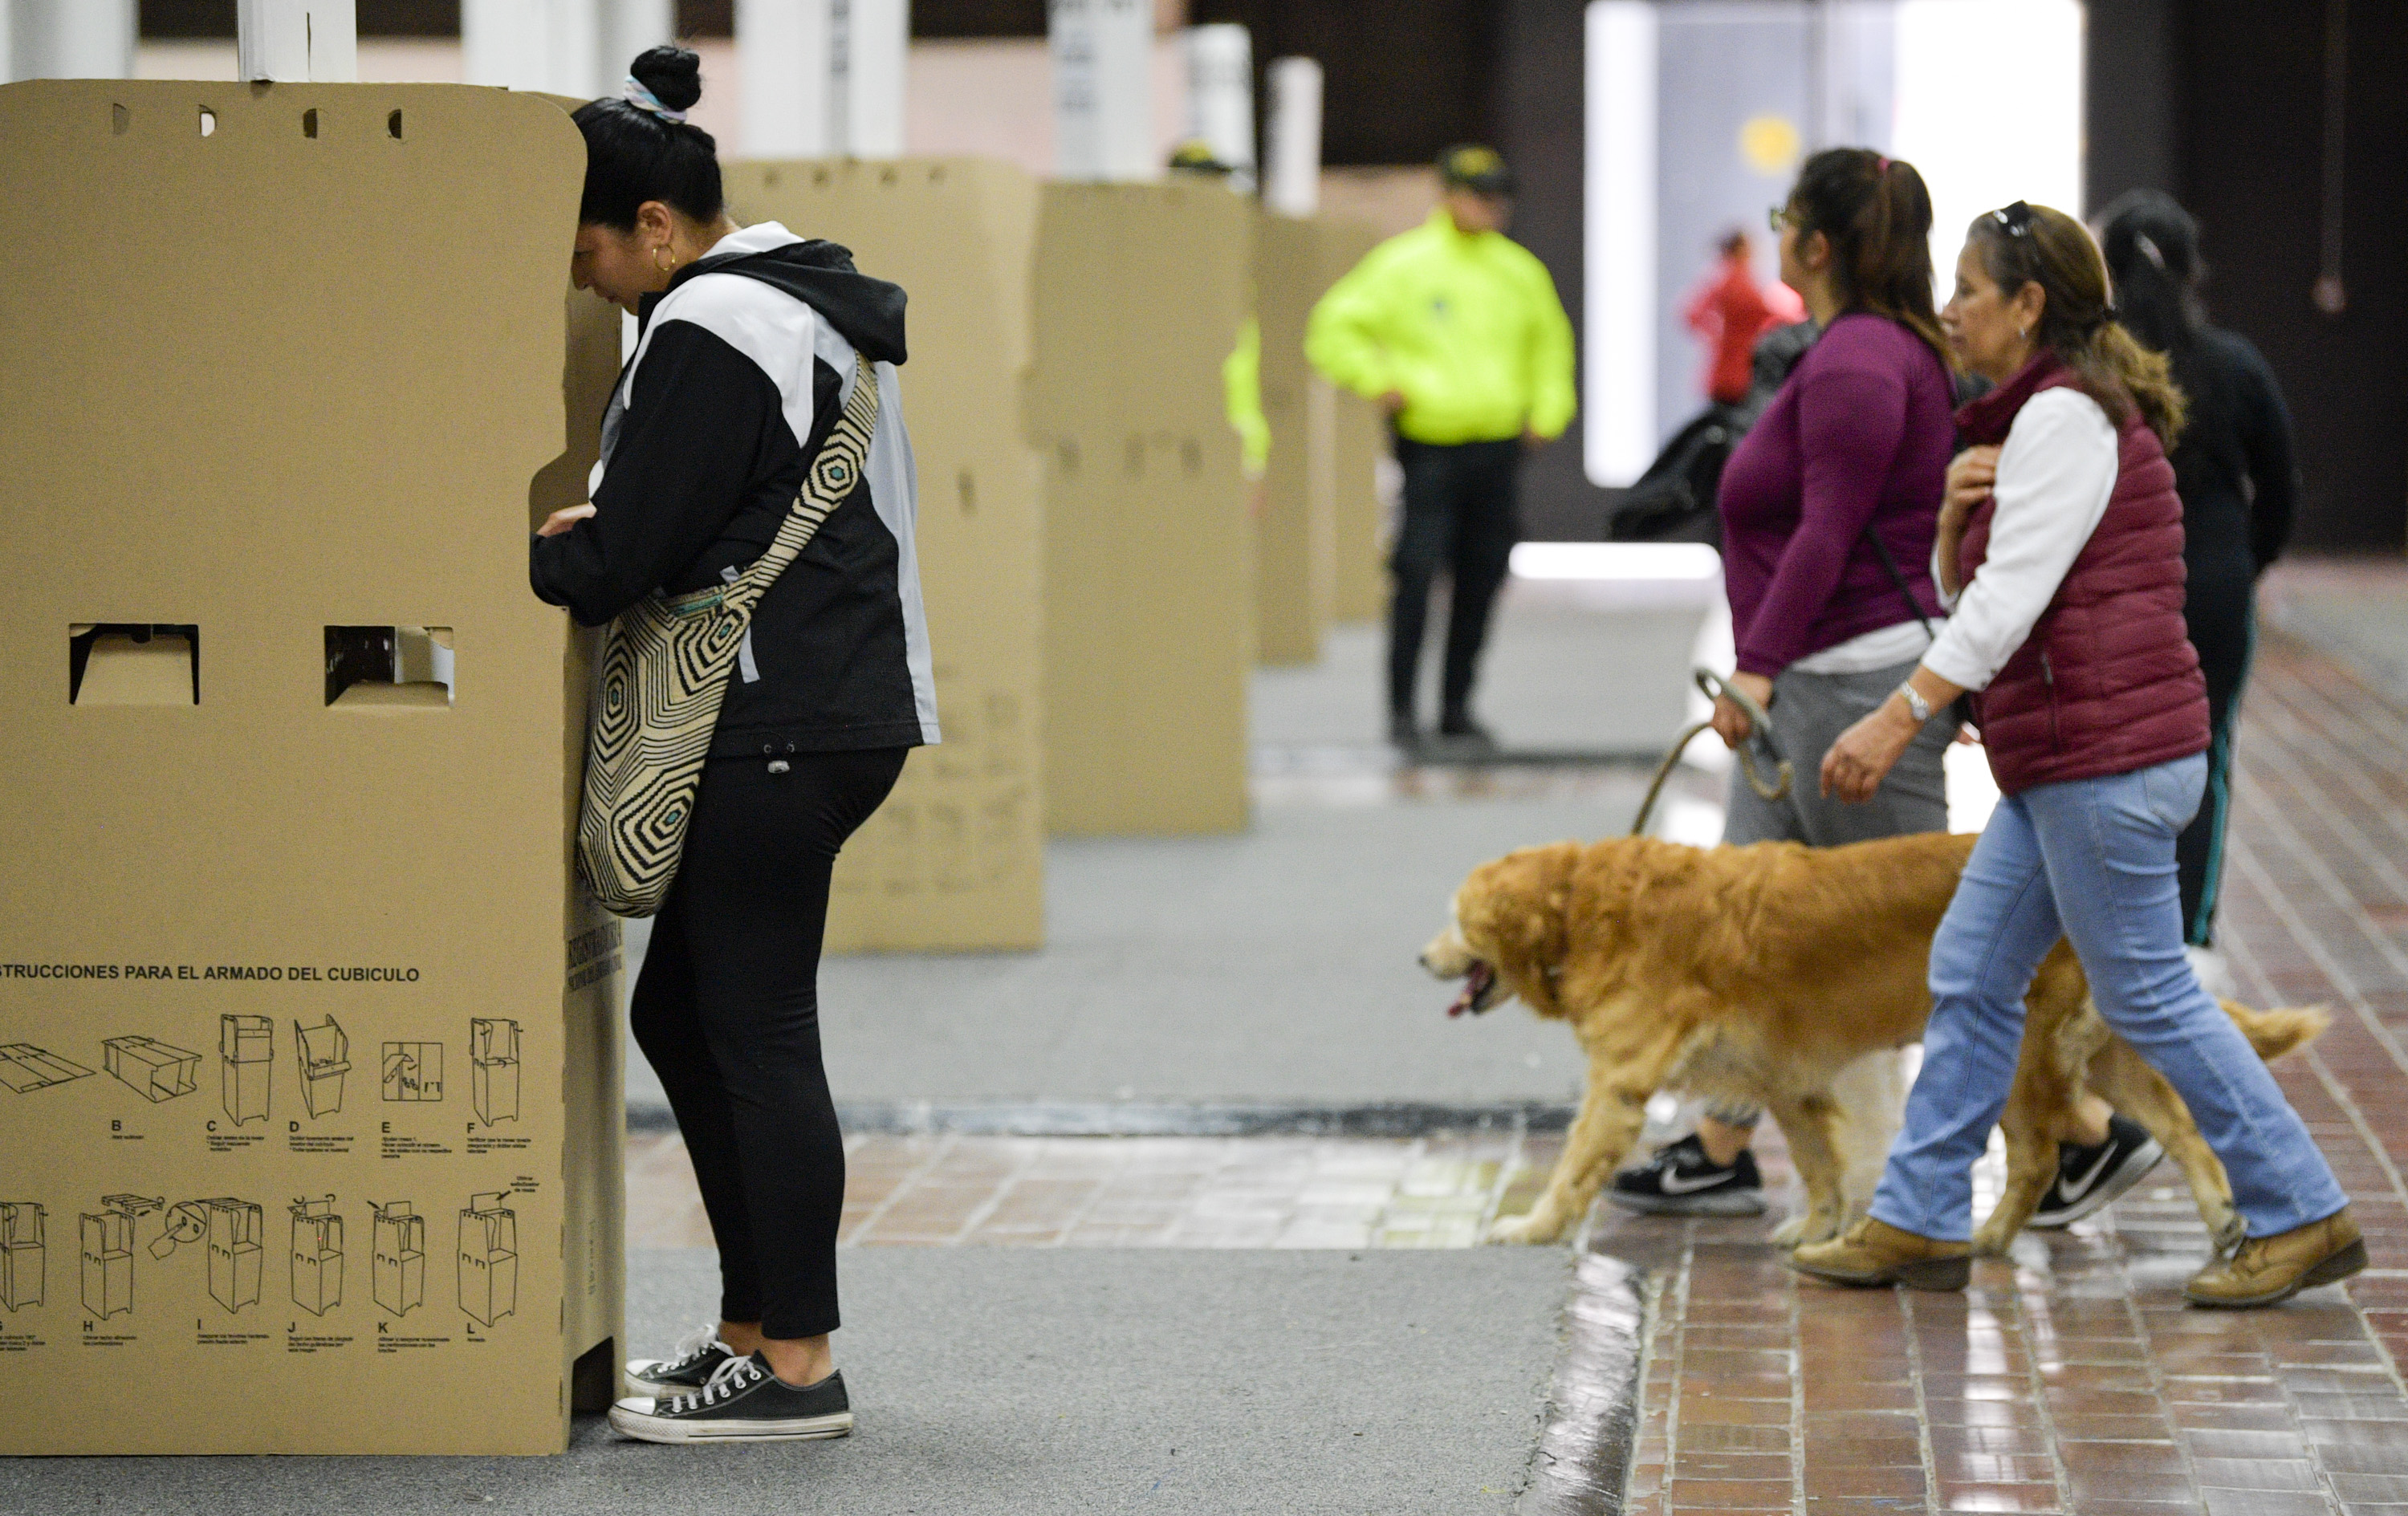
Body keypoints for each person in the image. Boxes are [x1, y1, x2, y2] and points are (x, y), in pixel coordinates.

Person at [1792, 201, 2357, 1307]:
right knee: (1971, 973)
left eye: (1967, 290)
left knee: (2147, 995)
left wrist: (1895, 714)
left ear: (2029, 305)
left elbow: (2007, 607)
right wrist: (1956, 529)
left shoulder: (2063, 418)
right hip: (2071, 764)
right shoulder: (2051, 416)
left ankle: (2301, 1210)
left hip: (2101, 764)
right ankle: (1916, 1217)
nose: (1948, 310)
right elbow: (1998, 591)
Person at [530, 47, 938, 1441]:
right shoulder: (789, 302)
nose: (583, 278)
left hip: (774, 716)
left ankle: (800, 1363)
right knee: (683, 1013)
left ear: (654, 224)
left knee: (753, 1025)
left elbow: (628, 553)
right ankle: (750, 1328)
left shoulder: (715, 323)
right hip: (810, 707)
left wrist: (545, 550)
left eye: (588, 247)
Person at [1611, 148, 1963, 1219]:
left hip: (1847, 686)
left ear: (1816, 243)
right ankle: (1721, 1141)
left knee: (1894, 952)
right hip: (1810, 683)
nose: (1774, 235)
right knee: (1747, 935)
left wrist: (1756, 667)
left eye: (1784, 218)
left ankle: (2017, 1152)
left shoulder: (1859, 359)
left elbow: (1826, 531)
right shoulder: (1848, 350)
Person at [1306, 144, 1576, 752]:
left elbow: (1550, 347)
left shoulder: (1518, 272)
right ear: (1448, 194)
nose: (1490, 207)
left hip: (1498, 445)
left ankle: (1457, 707)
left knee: (1481, 577)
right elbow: (1333, 326)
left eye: (1498, 196)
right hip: (1430, 444)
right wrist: (1378, 382)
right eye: (1478, 194)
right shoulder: (1406, 265)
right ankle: (1403, 711)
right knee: (1416, 575)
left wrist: (1548, 410)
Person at [2093, 191, 2299, 982]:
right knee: (2202, 754)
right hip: (2212, 582)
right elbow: (2280, 490)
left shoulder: (2094, 370)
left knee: (2107, 753)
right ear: (2190, 272)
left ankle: (2101, 927)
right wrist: (2246, 562)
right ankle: (2186, 936)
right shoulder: (2236, 365)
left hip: (2115, 584)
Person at [1684, 228, 1806, 407]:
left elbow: (1694, 314)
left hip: (1734, 364)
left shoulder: (1730, 278)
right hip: (1737, 368)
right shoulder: (1735, 280)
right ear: (1740, 249)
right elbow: (1762, 312)